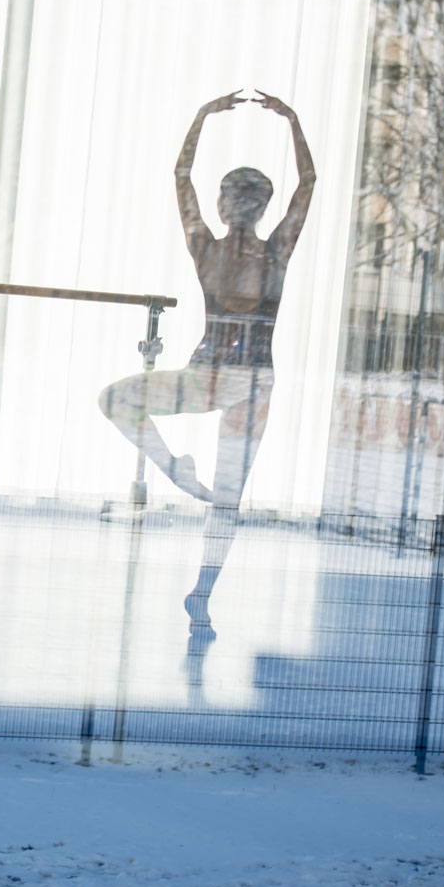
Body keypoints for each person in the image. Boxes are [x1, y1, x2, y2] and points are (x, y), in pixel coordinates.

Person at [98, 89, 314, 692]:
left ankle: (201, 588)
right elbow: (189, 178)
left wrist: (206, 119)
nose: (230, 205)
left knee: (226, 495)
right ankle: (178, 481)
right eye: (230, 196)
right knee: (124, 405)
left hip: (236, 381)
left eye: (237, 196)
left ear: (244, 205)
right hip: (225, 378)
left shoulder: (250, 249)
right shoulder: (253, 249)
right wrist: (283, 121)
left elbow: (190, 178)